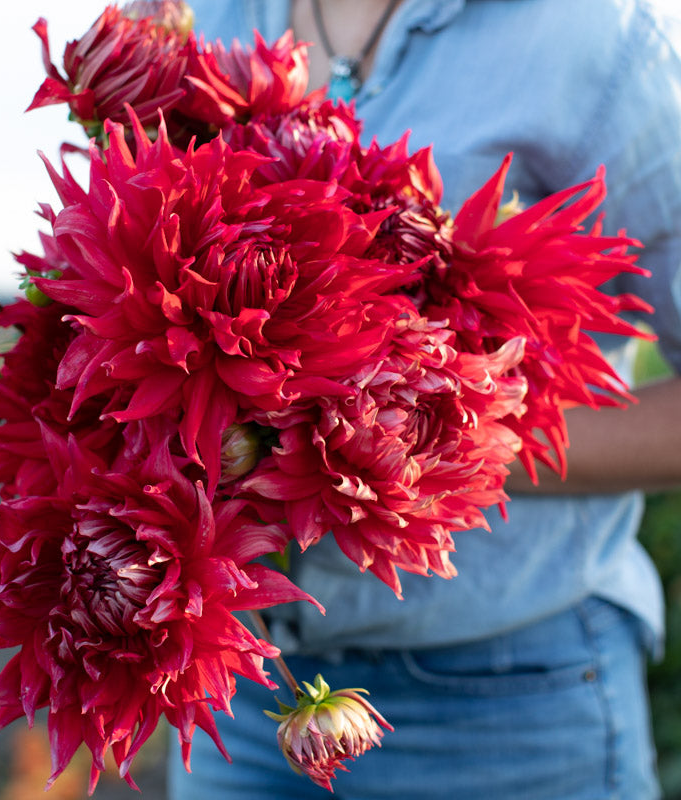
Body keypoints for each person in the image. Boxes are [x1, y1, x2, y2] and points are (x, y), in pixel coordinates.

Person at [169, 1, 681, 797]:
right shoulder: (195, 20)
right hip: (248, 702)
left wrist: (452, 444)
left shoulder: (592, 35)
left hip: (514, 698)